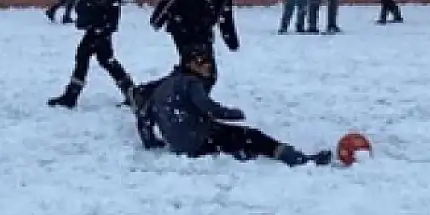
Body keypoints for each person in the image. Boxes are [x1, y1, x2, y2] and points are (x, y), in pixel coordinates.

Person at [135, 53, 332, 167]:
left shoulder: (162, 86)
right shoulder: (191, 83)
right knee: (251, 136)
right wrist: (232, 114)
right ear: (192, 65)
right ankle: (297, 159)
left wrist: (151, 142)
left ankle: (241, 151)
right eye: (204, 63)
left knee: (228, 137)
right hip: (197, 140)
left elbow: (143, 116)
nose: (209, 67)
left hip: (179, 143)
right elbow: (208, 108)